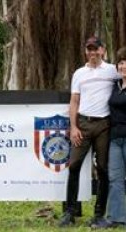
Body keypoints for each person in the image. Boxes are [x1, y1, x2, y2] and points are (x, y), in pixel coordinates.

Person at [59, 36, 118, 227]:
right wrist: (74, 126)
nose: (92, 53)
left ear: (103, 50)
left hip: (104, 125)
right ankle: (70, 212)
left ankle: (99, 214)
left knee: (102, 168)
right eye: (89, 49)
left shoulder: (112, 71)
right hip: (83, 124)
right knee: (74, 165)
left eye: (96, 49)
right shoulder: (79, 73)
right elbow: (74, 101)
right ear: (86, 51)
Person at [96, 47, 126, 229]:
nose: (123, 66)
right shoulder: (115, 85)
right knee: (115, 178)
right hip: (114, 138)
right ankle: (116, 217)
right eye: (121, 62)